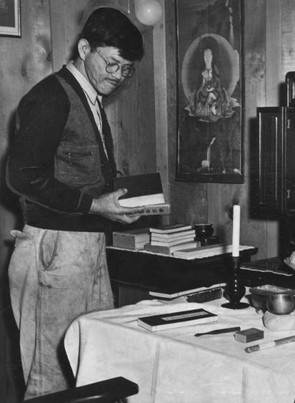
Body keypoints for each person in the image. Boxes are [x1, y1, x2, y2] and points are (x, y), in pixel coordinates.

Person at [6, 8, 145, 399]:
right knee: (50, 381)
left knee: (90, 373)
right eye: (112, 64)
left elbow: (78, 176)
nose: (117, 77)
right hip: (54, 250)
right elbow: (21, 176)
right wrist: (94, 205)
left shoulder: (90, 98)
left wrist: (113, 206)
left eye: (126, 70)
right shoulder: (51, 97)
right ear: (85, 48)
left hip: (85, 249)